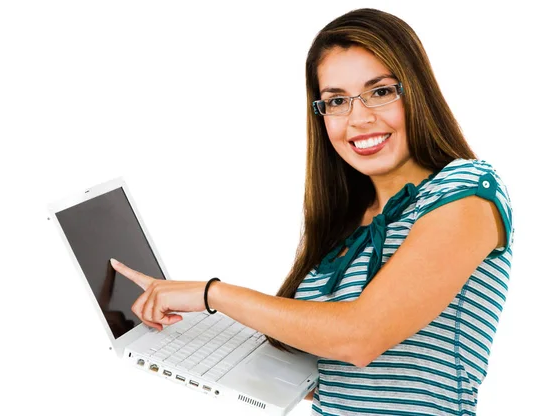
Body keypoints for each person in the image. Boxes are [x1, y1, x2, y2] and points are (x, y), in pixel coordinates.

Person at [110, 8, 514, 416]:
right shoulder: (351, 219)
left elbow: (360, 337)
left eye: (380, 91)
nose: (358, 118)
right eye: (337, 101)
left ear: (417, 91)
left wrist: (212, 294)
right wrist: (195, 340)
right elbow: (341, 372)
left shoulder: (466, 191)